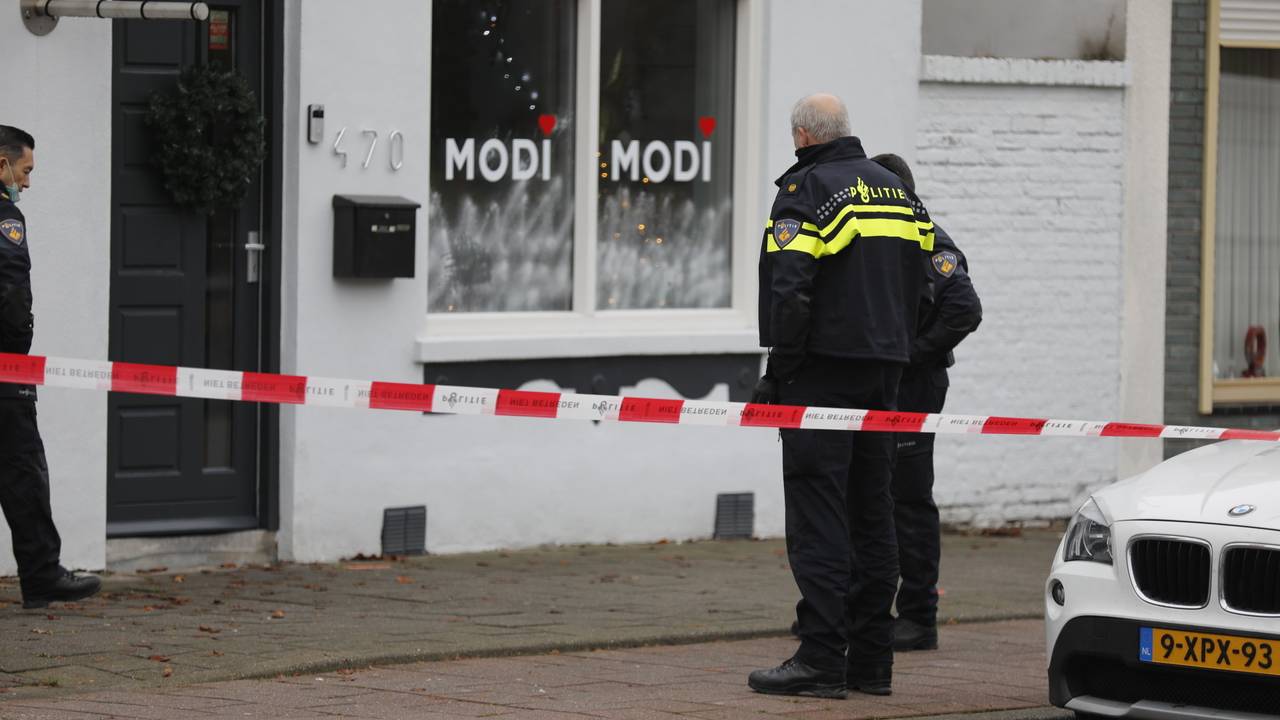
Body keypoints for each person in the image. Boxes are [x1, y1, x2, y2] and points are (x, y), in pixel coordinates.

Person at [747, 95, 934, 698]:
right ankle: (873, 662)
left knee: (819, 513)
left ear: (801, 134)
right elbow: (928, 283)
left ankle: (822, 658)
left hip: (821, 376)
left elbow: (791, 289)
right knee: (873, 511)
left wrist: (782, 367)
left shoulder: (806, 190)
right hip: (887, 376)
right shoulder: (898, 192)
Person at [871, 153, 982, 652]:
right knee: (877, 495)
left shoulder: (929, 240)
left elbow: (964, 309)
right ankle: (867, 608)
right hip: (887, 385)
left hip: (914, 388)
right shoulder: (888, 239)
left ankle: (919, 615)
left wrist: (912, 356)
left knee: (909, 500)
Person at [0, 125, 101, 609]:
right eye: (26, 170)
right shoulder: (5, 218)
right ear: (2, 166)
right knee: (23, 474)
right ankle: (42, 576)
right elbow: (11, 290)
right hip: (4, 374)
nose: (28, 182)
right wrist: (18, 358)